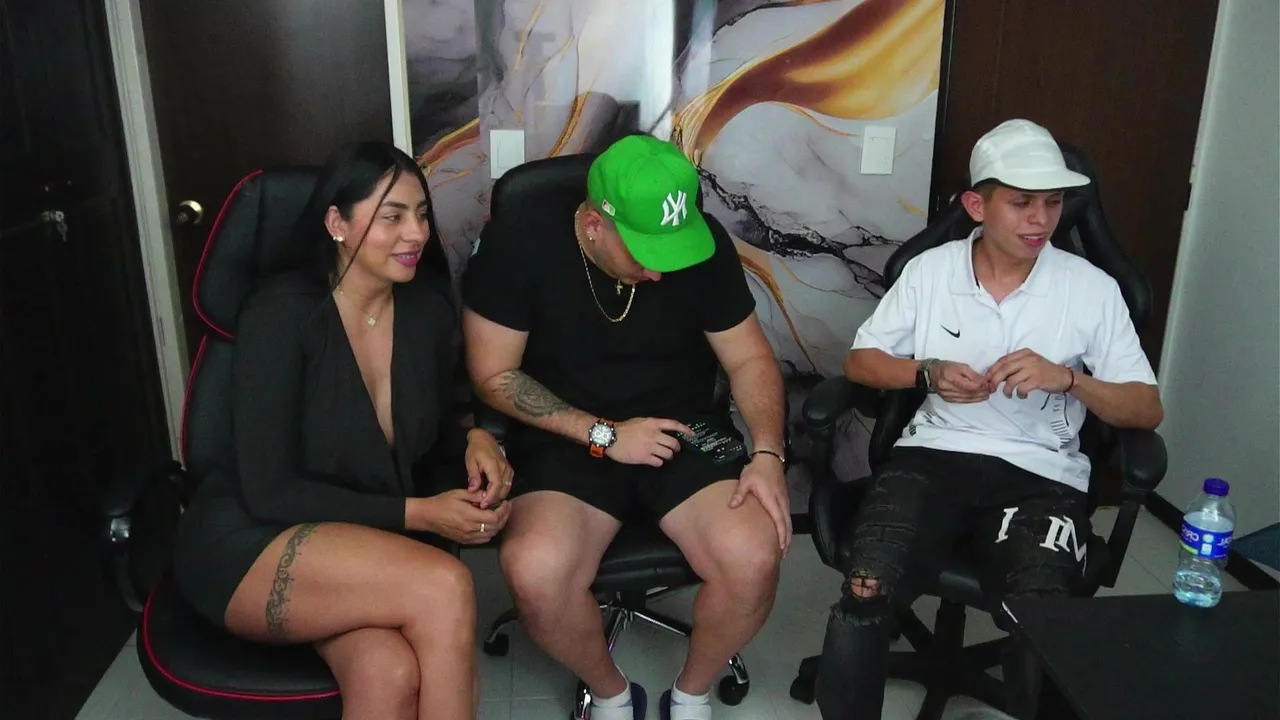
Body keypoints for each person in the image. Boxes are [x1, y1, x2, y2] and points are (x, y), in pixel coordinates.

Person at [814, 119, 1164, 719]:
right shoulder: (931, 271)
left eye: (1053, 202)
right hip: (932, 458)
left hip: (1041, 474)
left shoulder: (1091, 289)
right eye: (1022, 203)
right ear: (977, 206)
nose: (1041, 219)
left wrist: (1069, 379)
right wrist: (925, 373)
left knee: (1042, 613)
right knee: (866, 585)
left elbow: (1146, 407)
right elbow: (861, 362)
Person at [172, 141, 515, 720]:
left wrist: (476, 441)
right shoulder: (280, 313)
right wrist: (422, 514)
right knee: (446, 585)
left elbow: (431, 433)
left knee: (388, 672)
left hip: (360, 535)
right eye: (392, 216)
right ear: (336, 223)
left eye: (421, 214)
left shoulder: (426, 310)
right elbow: (270, 491)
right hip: (255, 534)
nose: (416, 234)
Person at [461, 134, 789, 720]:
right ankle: (611, 692)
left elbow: (749, 359)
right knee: (535, 571)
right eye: (643, 253)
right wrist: (605, 435)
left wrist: (768, 454)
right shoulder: (520, 241)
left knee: (754, 556)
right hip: (568, 432)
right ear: (594, 225)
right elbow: (494, 375)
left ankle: (690, 693)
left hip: (682, 428)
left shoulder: (703, 242)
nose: (660, 271)